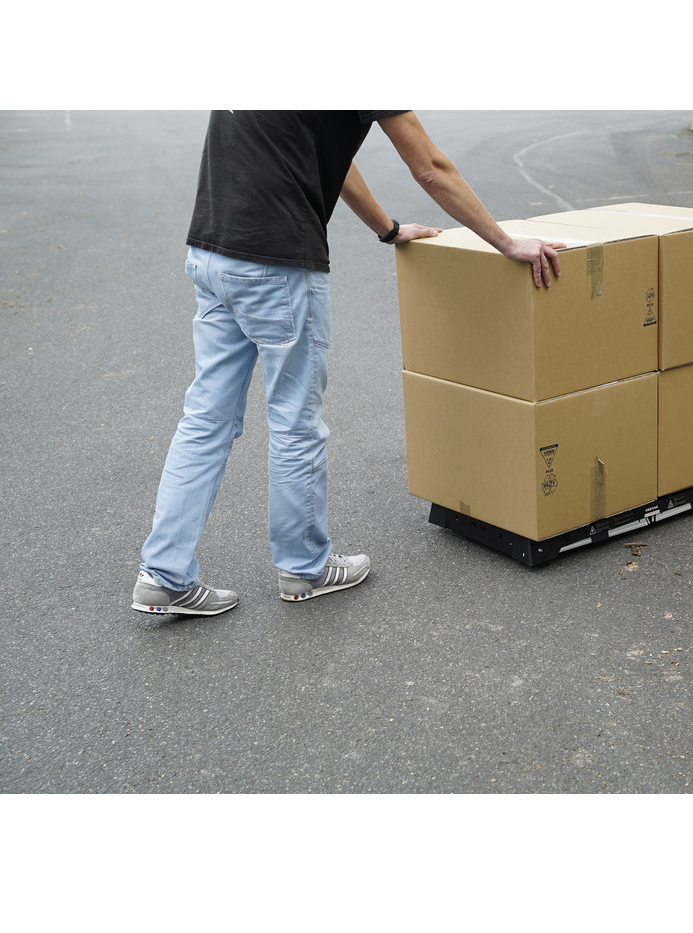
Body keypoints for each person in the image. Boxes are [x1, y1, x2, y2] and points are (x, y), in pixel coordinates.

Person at [131, 110, 564, 616]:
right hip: (277, 264)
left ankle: (163, 575)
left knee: (206, 419)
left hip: (212, 252)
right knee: (294, 421)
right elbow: (431, 168)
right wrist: (507, 243)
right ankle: (305, 568)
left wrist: (388, 228)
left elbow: (320, 155)